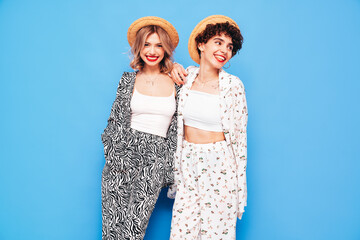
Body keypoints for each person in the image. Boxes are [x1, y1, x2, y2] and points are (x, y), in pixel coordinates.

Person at [168, 15, 248, 239]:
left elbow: (240, 142)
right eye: (218, 42)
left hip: (220, 167)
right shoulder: (185, 77)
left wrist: (240, 192)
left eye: (230, 46)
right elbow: (156, 71)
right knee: (182, 232)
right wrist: (172, 66)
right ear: (201, 44)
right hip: (188, 165)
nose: (225, 50)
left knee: (216, 234)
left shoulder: (233, 86)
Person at [101, 16, 180, 240]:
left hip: (155, 160)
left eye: (158, 45)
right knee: (112, 230)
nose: (152, 50)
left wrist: (167, 167)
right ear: (139, 48)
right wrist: (112, 152)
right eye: (147, 44)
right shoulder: (127, 80)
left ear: (165, 49)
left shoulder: (178, 81)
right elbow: (114, 121)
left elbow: (177, 131)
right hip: (122, 157)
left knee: (134, 230)